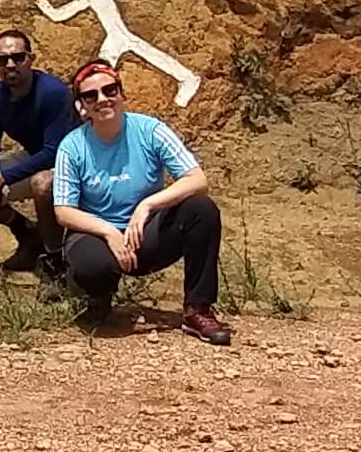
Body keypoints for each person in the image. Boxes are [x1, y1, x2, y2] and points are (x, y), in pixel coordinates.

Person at [50, 59, 230, 344]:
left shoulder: (150, 130)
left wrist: (147, 206)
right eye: (91, 95)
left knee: (201, 209)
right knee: (93, 265)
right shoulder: (72, 146)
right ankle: (98, 297)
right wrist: (108, 232)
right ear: (81, 106)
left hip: (144, 233)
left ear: (122, 93)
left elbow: (197, 179)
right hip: (97, 233)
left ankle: (198, 309)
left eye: (110, 90)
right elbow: (63, 210)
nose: (102, 99)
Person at [0, 28, 77, 273]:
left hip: (71, 162)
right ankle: (27, 235)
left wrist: (2, 178)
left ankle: (55, 259)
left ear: (30, 59)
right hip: (35, 157)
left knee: (43, 185)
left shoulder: (52, 93)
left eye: (17, 58)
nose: (10, 65)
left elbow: (54, 152)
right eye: (2, 60)